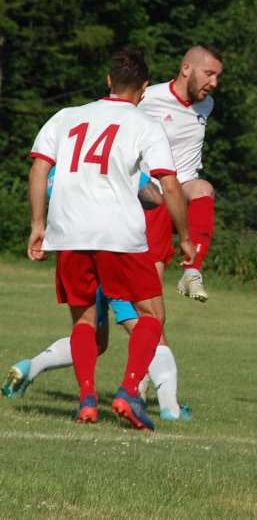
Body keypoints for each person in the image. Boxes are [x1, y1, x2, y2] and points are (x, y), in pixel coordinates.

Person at [27, 47, 195, 430]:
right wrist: (184, 235)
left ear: (108, 81)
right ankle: (129, 391)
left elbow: (39, 169)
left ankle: (87, 399)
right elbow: (169, 184)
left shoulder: (66, 116)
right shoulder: (145, 125)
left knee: (84, 320)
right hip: (118, 233)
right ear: (144, 88)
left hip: (68, 231)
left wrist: (38, 224)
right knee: (152, 315)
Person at [3, 170, 191, 421]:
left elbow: (45, 185)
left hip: (75, 250)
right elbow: (154, 196)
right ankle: (169, 409)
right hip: (114, 250)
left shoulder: (59, 166)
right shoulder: (115, 147)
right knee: (150, 324)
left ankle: (32, 368)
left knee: (93, 337)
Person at [139, 44, 223, 303]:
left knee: (203, 189)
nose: (214, 82)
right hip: (148, 193)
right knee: (148, 287)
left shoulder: (206, 104)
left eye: (218, 76)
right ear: (186, 69)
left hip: (181, 187)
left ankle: (192, 271)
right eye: (209, 73)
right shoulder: (147, 98)